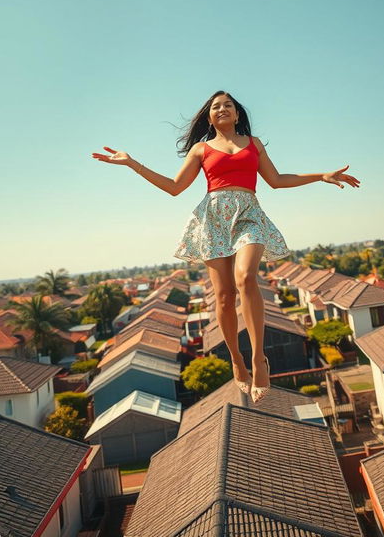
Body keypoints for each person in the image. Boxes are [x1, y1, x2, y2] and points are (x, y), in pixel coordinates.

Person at [91, 90, 360, 403]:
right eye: (216, 106)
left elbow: (276, 180)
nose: (222, 108)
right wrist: (131, 163)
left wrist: (321, 175)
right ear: (210, 116)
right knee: (224, 295)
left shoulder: (254, 143)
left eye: (228, 105)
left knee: (246, 278)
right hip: (213, 219)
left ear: (236, 113)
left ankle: (259, 359)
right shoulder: (200, 149)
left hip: (249, 215)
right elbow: (174, 188)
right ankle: (236, 358)